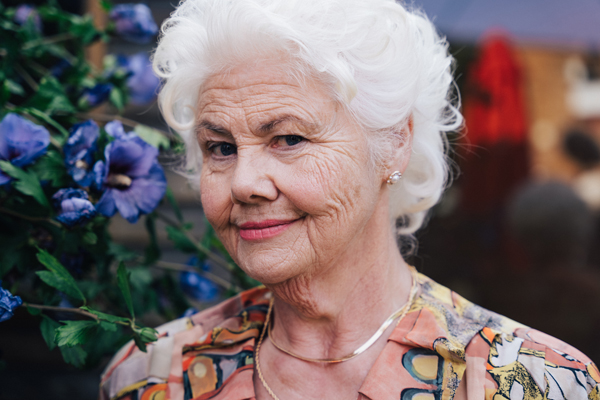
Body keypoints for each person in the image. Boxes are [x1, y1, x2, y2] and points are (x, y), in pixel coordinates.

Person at [100, 0, 600, 399]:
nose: (244, 183)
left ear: (394, 142)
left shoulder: (532, 383)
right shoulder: (150, 377)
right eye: (221, 148)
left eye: (289, 139)